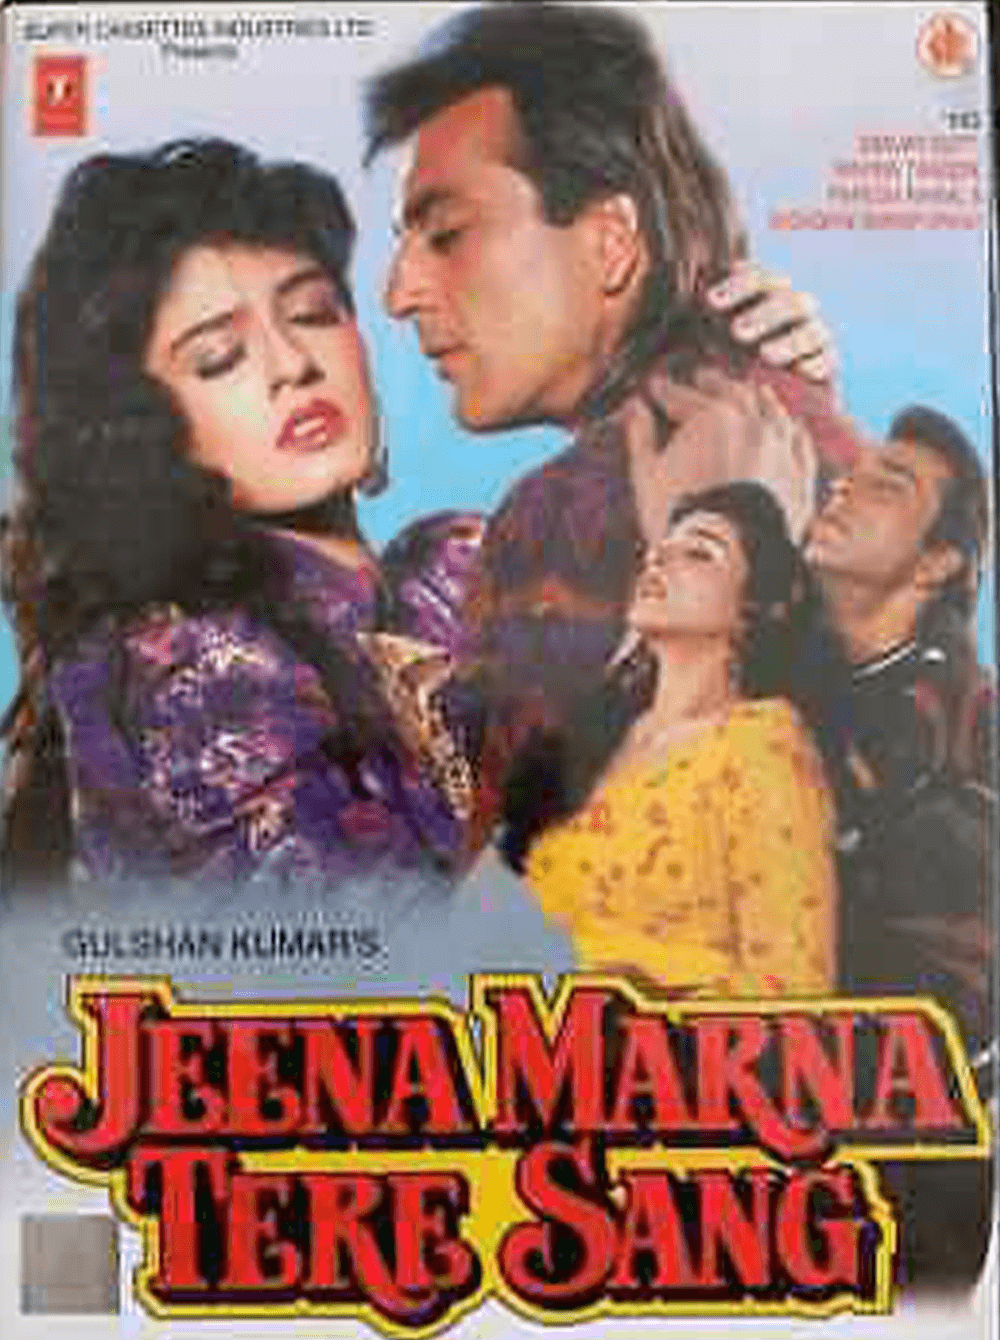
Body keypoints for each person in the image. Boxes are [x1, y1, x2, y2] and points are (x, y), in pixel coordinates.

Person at [369, 1, 860, 793]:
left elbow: (519, 864)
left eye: (447, 232)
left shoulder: (560, 516)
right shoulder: (813, 426)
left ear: (610, 242)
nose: (398, 294)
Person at [0, 139, 478, 892]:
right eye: (219, 357)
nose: (294, 364)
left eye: (313, 313)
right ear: (140, 429)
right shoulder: (197, 670)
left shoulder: (451, 574)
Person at [500, 482, 837, 997]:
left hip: (653, 1043)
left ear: (752, 606)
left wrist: (645, 1004)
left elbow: (793, 982)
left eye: (698, 553)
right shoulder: (597, 736)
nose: (657, 562)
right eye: (657, 551)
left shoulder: (762, 743)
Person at [803, 404, 995, 1288]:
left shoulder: (968, 731)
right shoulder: (765, 670)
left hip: (903, 1193)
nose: (844, 488)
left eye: (890, 485)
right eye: (849, 474)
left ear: (936, 562)